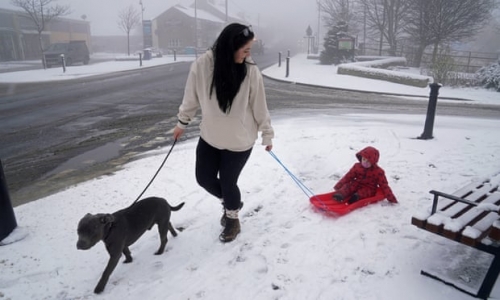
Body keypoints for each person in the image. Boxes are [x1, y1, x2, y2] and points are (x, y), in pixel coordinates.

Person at [173, 23, 274, 243]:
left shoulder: (250, 70)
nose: (248, 55)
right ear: (230, 47)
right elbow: (191, 98)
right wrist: (182, 123)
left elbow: (260, 105)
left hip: (239, 141)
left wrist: (267, 133)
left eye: (249, 50)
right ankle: (232, 202)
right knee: (203, 179)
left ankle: (232, 219)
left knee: (229, 183)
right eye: (245, 50)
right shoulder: (202, 66)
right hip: (210, 137)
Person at [332, 146, 398, 204]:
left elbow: (384, 185)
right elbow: (348, 177)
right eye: (364, 159)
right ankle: (341, 195)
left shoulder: (378, 172)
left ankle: (356, 197)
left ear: (373, 162)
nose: (365, 162)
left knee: (365, 192)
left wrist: (391, 198)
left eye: (368, 161)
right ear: (361, 158)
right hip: (357, 183)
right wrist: (339, 185)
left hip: (369, 187)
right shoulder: (357, 166)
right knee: (349, 186)